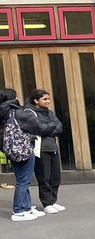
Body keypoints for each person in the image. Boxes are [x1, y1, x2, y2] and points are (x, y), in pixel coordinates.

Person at [2, 87, 50, 222]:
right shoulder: (17, 112)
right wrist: (50, 127)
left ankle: (26, 207)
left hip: (12, 150)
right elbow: (38, 126)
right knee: (23, 181)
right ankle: (18, 210)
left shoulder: (4, 114)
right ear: (13, 98)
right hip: (24, 149)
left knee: (22, 180)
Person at [28, 90, 65, 213]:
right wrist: (49, 127)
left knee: (55, 177)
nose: (48, 101)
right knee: (44, 177)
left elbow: (59, 127)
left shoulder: (50, 112)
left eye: (48, 98)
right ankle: (47, 203)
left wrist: (47, 128)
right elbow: (39, 128)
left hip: (53, 148)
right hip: (41, 149)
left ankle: (53, 201)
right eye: (45, 99)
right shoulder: (31, 113)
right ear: (36, 100)